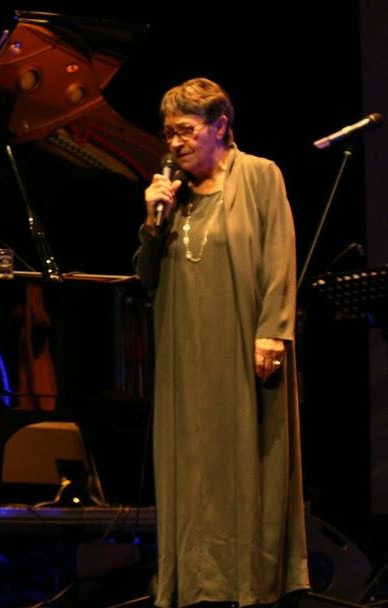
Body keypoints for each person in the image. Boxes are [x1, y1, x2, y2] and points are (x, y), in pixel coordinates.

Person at [135, 78, 309, 606]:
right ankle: (196, 581)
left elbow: (279, 252)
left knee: (246, 458)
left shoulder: (259, 175)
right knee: (192, 462)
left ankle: (250, 582)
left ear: (220, 126)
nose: (175, 143)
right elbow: (147, 278)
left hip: (242, 341)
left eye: (185, 131)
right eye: (168, 133)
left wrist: (273, 331)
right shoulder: (172, 194)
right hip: (185, 350)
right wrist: (151, 221)